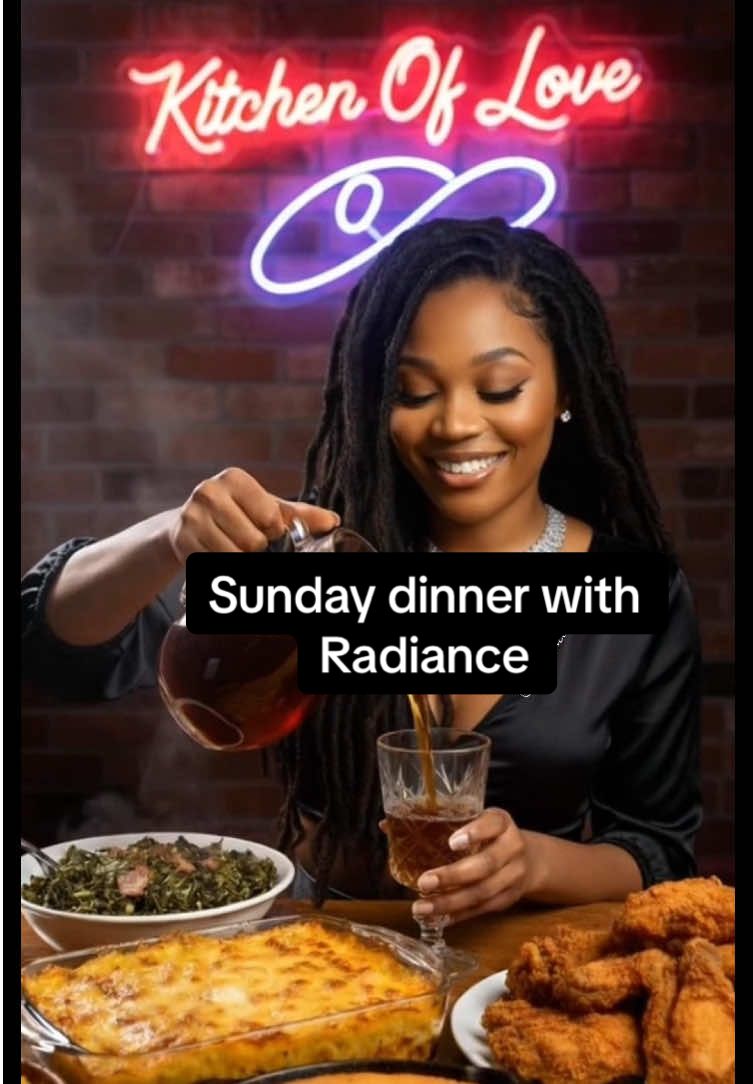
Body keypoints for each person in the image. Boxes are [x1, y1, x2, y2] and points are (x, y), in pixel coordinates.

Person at [22, 217, 702, 922]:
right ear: (376, 402)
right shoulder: (319, 560)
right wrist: (167, 536)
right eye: (412, 392)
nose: (454, 425)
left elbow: (655, 849)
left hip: (518, 966)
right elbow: (51, 646)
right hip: (325, 950)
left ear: (564, 392)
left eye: (499, 388)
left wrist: (535, 863)